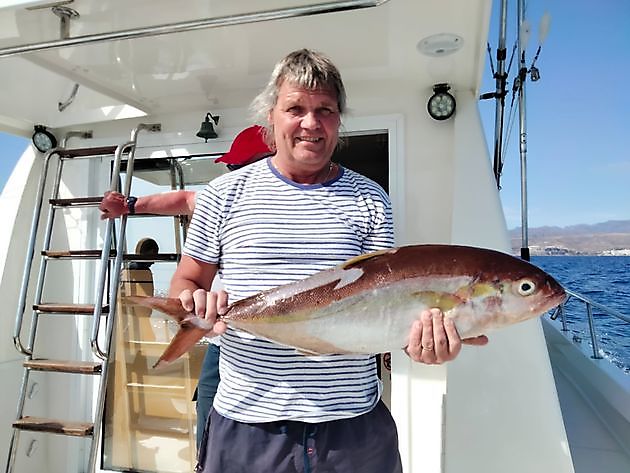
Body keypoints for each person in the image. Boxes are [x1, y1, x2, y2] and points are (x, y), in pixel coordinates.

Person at [170, 49, 488, 473]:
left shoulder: (370, 199)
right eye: (295, 108)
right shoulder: (223, 194)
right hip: (249, 425)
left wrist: (423, 345)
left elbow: (382, 305)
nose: (310, 123)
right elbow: (187, 281)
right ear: (271, 115)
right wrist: (193, 305)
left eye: (325, 110)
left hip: (352, 428)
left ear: (339, 119)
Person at [98, 125, 273, 451]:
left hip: (275, 357)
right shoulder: (222, 200)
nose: (229, 174)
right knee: (208, 430)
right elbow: (183, 198)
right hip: (222, 346)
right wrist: (131, 205)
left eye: (236, 167)